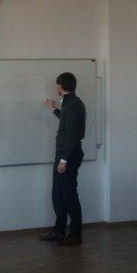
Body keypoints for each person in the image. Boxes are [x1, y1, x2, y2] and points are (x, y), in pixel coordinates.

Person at [39, 72, 86, 245]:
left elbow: (72, 136)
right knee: (58, 194)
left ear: (61, 86)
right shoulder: (69, 102)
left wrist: (63, 161)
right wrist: (53, 109)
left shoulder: (73, 104)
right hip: (63, 155)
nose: (56, 87)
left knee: (69, 195)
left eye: (57, 85)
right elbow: (67, 122)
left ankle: (75, 235)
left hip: (68, 156)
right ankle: (59, 231)